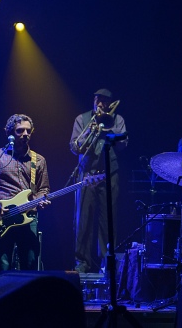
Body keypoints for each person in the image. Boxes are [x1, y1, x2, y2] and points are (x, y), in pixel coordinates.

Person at [0, 114, 51, 276]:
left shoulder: (38, 160)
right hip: (1, 218)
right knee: (2, 266)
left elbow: (43, 189)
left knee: (30, 264)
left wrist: (41, 200)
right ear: (10, 133)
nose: (25, 134)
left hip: (28, 216)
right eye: (20, 131)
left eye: (28, 131)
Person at [70, 88, 128, 273]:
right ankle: (82, 262)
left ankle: (107, 262)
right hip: (86, 174)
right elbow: (74, 147)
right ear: (93, 100)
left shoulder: (117, 120)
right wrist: (92, 130)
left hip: (109, 174)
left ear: (111, 103)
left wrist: (107, 129)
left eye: (104, 101)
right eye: (98, 100)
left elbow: (122, 145)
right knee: (83, 220)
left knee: (108, 220)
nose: (101, 105)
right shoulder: (82, 119)